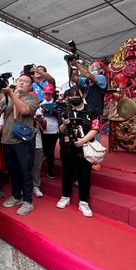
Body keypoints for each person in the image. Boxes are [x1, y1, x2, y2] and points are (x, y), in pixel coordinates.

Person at [0, 73, 39, 215]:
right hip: (7, 139)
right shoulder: (10, 95)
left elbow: (25, 110)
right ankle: (16, 196)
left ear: (30, 85)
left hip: (22, 140)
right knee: (13, 171)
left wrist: (12, 94)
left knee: (25, 171)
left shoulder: (32, 97)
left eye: (25, 81)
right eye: (20, 80)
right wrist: (0, 91)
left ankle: (28, 201)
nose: (21, 83)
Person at [56, 87, 101, 217]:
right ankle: (65, 196)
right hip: (67, 147)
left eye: (77, 94)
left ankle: (84, 202)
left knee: (85, 175)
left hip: (86, 147)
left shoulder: (92, 109)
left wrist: (83, 141)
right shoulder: (65, 109)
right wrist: (65, 124)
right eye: (71, 96)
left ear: (82, 94)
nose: (74, 97)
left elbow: (95, 128)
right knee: (67, 173)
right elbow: (61, 130)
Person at [40, 83, 59, 179]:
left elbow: (60, 114)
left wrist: (50, 112)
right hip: (42, 130)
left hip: (54, 130)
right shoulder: (39, 103)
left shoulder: (57, 103)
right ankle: (45, 169)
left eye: (49, 94)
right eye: (46, 93)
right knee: (44, 151)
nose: (47, 95)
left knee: (50, 151)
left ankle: (50, 171)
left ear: (52, 94)